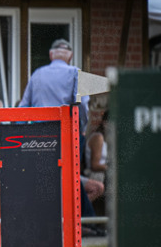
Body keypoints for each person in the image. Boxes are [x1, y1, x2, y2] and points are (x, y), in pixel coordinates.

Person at [18, 38, 101, 225]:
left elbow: (24, 107)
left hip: (39, 135)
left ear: (50, 55)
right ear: (70, 56)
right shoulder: (75, 73)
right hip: (65, 134)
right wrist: (81, 130)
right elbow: (83, 106)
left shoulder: (37, 74)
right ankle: (86, 221)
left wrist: (19, 134)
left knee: (46, 178)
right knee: (70, 177)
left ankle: (51, 222)